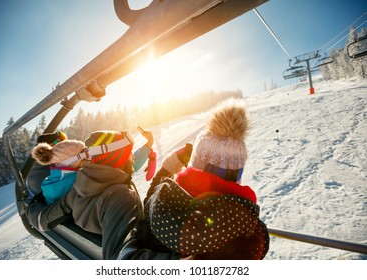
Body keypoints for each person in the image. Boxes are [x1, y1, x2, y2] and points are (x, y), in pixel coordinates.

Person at [120, 98, 269, 260]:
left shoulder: (164, 206)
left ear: (196, 165)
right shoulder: (250, 233)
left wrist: (166, 171)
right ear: (238, 174)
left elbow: (147, 215)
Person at [26, 129, 179, 259]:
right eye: (129, 152)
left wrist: (31, 206)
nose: (133, 156)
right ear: (118, 158)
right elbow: (122, 258)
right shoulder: (120, 196)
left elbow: (44, 218)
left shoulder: (79, 186)